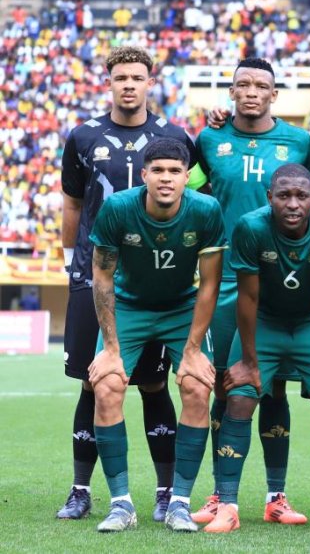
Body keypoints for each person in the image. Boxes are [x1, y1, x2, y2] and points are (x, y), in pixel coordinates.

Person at [58, 46, 197, 522]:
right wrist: (70, 262)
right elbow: (73, 204)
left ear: (150, 82)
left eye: (137, 77)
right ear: (110, 83)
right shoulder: (83, 136)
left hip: (152, 280)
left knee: (155, 384)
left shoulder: (173, 136)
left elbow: (194, 193)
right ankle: (81, 490)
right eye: (121, 78)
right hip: (92, 276)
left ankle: (165, 492)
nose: (129, 85)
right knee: (92, 381)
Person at [188, 57, 310, 526]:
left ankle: (276, 496)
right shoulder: (209, 140)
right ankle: (218, 494)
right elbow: (194, 194)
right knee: (224, 386)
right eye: (242, 84)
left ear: (274, 95)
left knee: (274, 387)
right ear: (230, 92)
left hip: (280, 280)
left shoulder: (299, 141)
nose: (251, 92)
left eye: (260, 85)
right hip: (225, 280)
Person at [202, 164, 310, 535]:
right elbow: (248, 296)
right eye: (283, 196)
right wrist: (249, 361)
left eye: (301, 196)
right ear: (269, 197)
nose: (292, 204)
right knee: (239, 396)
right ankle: (227, 506)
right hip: (265, 322)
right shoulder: (250, 226)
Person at [88, 137, 226, 532]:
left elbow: (210, 284)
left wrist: (194, 349)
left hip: (182, 308)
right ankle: (121, 505)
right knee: (107, 386)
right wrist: (110, 347)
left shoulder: (206, 210)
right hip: (130, 307)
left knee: (197, 386)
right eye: (159, 171)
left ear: (186, 177)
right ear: (145, 174)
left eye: (175, 171)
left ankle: (179, 503)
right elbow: (102, 275)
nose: (166, 178)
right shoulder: (118, 208)